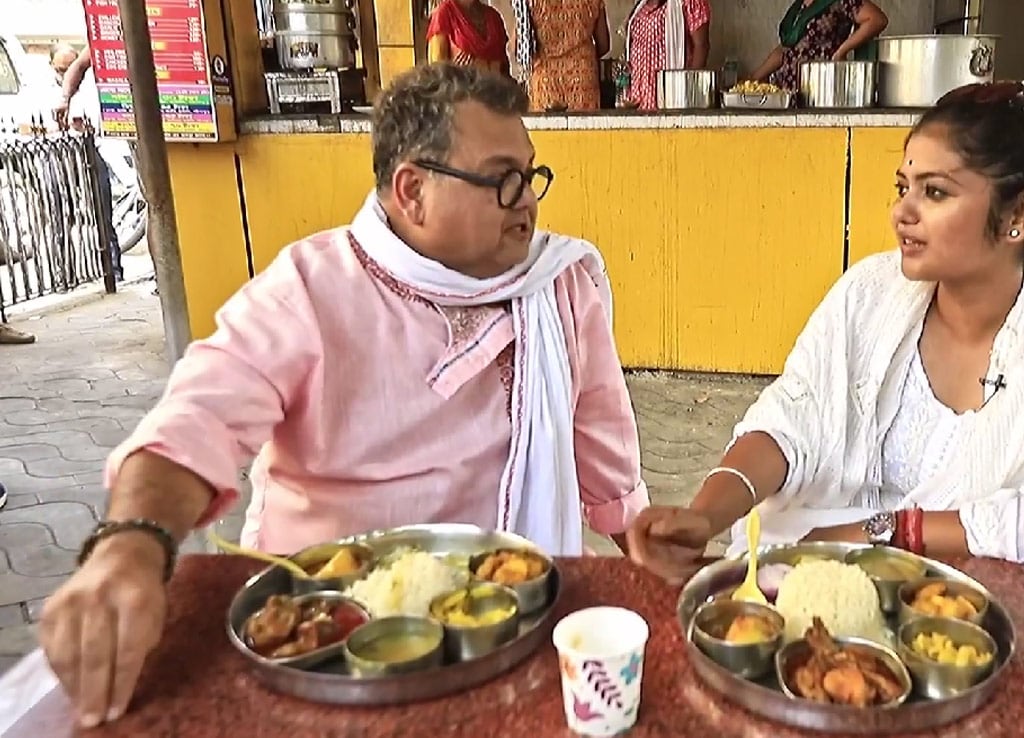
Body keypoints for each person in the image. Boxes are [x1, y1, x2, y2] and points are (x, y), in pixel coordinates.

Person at [38, 63, 649, 728]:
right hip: (333, 644)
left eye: (529, 176)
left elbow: (604, 451)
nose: (527, 201)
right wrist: (132, 542)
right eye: (502, 180)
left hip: (512, 620)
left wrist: (645, 543)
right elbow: (198, 416)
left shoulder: (558, 286)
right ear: (412, 190)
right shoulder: (310, 289)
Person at [629, 82, 1024, 584]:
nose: (901, 213)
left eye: (935, 192)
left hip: (971, 612)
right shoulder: (870, 293)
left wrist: (884, 535)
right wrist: (706, 515)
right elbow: (793, 417)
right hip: (807, 575)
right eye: (903, 187)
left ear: (1020, 211)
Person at [51, 45, 124, 282]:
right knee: (63, 214)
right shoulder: (45, 91)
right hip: (63, 155)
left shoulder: (91, 87)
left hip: (93, 149)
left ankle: (112, 269)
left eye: (69, 67)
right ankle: (66, 273)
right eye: (61, 68)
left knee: (102, 212)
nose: (65, 72)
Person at [747, 0, 887, 93]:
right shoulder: (798, 7)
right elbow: (785, 50)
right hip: (789, 93)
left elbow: (877, 19)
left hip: (820, 88)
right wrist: (753, 79)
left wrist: (842, 51)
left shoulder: (841, 1)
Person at [517, 0, 610, 111]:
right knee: (583, 126)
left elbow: (518, 45)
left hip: (545, 78)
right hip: (582, 77)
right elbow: (604, 45)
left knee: (547, 126)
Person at [623, 0, 711, 111]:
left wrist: (688, 94)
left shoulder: (689, 2)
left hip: (672, 99)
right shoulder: (641, 4)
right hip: (639, 103)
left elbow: (701, 46)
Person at [427, 0, 512, 78]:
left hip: (496, 91)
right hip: (461, 92)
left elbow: (505, 70)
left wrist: (481, 66)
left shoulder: (494, 16)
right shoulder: (443, 14)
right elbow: (437, 74)